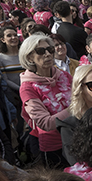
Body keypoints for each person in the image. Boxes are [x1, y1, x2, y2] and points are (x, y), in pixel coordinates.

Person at [18, 33, 72, 167]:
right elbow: (45, 123)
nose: (47, 54)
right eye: (41, 51)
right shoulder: (27, 88)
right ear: (29, 57)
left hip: (77, 137)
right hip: (55, 146)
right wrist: (76, 109)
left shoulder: (63, 75)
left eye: (50, 50)